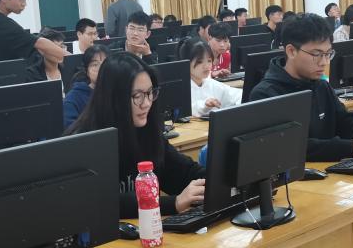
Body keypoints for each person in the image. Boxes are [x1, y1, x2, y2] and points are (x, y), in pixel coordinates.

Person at [69, 53, 205, 218]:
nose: (146, 103)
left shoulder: (146, 131)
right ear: (114, 98)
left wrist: (213, 178)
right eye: (137, 96)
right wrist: (173, 203)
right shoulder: (85, 143)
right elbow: (101, 202)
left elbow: (183, 172)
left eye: (150, 93)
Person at [250, 14, 353, 161]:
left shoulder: (321, 85)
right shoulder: (265, 94)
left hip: (327, 168)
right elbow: (287, 146)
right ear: (291, 51)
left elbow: (345, 121)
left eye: (328, 54)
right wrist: (348, 147)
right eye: (317, 54)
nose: (324, 62)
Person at [182, 39, 241, 116]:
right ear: (186, 63)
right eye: (199, 62)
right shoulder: (181, 88)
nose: (206, 66)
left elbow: (237, 95)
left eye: (209, 60)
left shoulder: (210, 83)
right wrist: (204, 105)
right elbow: (186, 110)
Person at [62, 44, 106, 130]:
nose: (101, 68)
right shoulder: (73, 98)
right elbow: (71, 132)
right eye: (95, 65)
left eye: (105, 63)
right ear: (87, 71)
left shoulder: (117, 91)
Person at [26, 28, 69, 94]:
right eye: (55, 48)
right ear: (41, 50)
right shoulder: (32, 75)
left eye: (62, 46)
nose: (60, 51)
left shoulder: (70, 69)